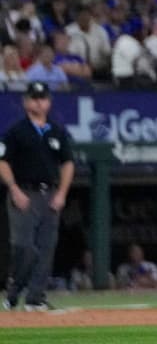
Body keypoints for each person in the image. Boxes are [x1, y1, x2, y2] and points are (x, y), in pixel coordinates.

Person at [1, 82, 73, 311]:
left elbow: (68, 163)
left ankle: (35, 298)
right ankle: (13, 292)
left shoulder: (57, 131)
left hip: (49, 193)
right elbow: (2, 162)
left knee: (46, 247)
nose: (38, 102)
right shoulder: (16, 131)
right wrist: (14, 189)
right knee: (23, 246)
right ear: (25, 102)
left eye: (42, 98)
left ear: (48, 102)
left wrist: (61, 192)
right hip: (24, 192)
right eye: (34, 98)